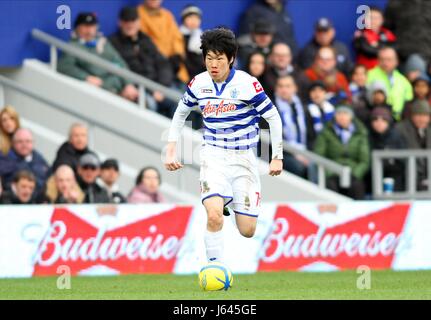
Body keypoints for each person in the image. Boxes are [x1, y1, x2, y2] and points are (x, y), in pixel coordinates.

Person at [164, 28, 283, 263]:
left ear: (230, 59)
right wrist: (170, 149)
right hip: (213, 157)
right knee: (214, 216)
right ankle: (214, 268)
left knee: (247, 230)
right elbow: (180, 114)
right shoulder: (198, 83)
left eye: (219, 58)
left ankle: (227, 198)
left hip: (244, 158)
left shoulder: (247, 84)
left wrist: (276, 155)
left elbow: (273, 117)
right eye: (209, 58)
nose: (213, 64)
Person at [57, 12, 139, 101]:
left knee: (143, 100)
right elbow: (64, 66)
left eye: (92, 26)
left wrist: (128, 84)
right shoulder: (72, 46)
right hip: (98, 93)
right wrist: (85, 77)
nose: (89, 31)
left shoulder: (103, 43)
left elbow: (119, 63)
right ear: (77, 28)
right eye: (85, 26)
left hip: (118, 87)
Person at [109, 6, 176, 115]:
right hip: (137, 89)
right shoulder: (113, 42)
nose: (130, 24)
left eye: (133, 20)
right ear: (120, 23)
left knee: (184, 102)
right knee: (150, 105)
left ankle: (178, 132)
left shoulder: (145, 39)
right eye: (126, 21)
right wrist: (150, 90)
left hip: (157, 86)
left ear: (139, 22)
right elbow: (117, 68)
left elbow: (163, 63)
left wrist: (161, 87)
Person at [314, 105, 370, 199]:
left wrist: (355, 173)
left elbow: (365, 160)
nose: (342, 117)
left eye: (345, 113)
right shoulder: (325, 132)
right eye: (339, 113)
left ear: (351, 116)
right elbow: (319, 155)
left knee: (357, 187)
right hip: (332, 171)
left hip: (353, 172)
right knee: (330, 187)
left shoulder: (360, 133)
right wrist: (330, 172)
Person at [137, 0, 189, 84]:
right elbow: (145, 43)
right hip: (156, 72)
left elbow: (177, 39)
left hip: (176, 72)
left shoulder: (167, 15)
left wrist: (177, 55)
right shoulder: (138, 14)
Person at [274, 75, 308, 178]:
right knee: (299, 168)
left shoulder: (302, 106)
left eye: (288, 86)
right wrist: (295, 154)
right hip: (284, 153)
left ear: (295, 88)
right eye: (281, 86)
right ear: (276, 89)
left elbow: (310, 134)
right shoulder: (269, 107)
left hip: (305, 150)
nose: (284, 90)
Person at [367, 46, 413, 120]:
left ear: (396, 61)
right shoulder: (368, 76)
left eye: (389, 59)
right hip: (377, 120)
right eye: (382, 59)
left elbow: (408, 102)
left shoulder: (403, 80)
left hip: (398, 121)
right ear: (378, 60)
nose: (385, 63)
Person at [0, 128, 49, 197]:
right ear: (13, 143)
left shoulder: (39, 158)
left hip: (39, 203)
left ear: (33, 142)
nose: (24, 145)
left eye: (28, 141)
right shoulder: (5, 159)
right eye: (20, 141)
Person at [367, 107, 406, 193]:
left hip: (393, 175)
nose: (379, 123)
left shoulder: (396, 136)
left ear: (388, 122)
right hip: (372, 175)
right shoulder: (366, 136)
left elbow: (403, 159)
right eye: (375, 119)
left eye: (383, 120)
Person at [395, 100, 431, 191]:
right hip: (407, 175)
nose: (422, 119)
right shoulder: (400, 129)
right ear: (412, 116)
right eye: (419, 115)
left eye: (425, 116)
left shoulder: (428, 130)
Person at [305, 81, 335, 149]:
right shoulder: (305, 111)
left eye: (320, 91)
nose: (317, 94)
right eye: (314, 91)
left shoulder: (332, 110)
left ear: (325, 93)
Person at [179, 4, 205, 79]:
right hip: (186, 75)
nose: (194, 21)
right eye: (190, 17)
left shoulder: (202, 37)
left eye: (197, 18)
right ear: (184, 19)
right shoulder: (179, 36)